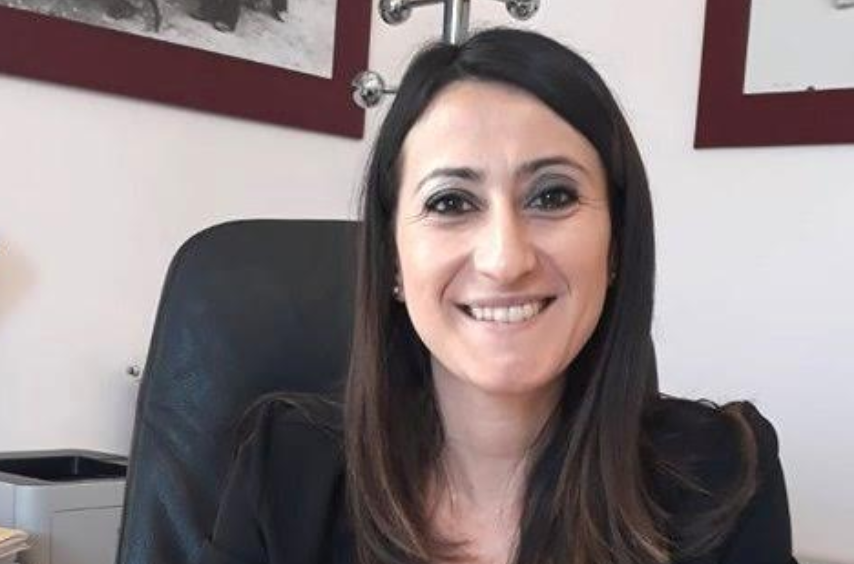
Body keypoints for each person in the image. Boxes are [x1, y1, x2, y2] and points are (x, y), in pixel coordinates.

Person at [199, 28, 798, 564]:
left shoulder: (722, 476)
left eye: (553, 196)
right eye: (450, 202)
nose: (505, 260)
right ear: (393, 262)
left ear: (616, 245)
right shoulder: (285, 471)